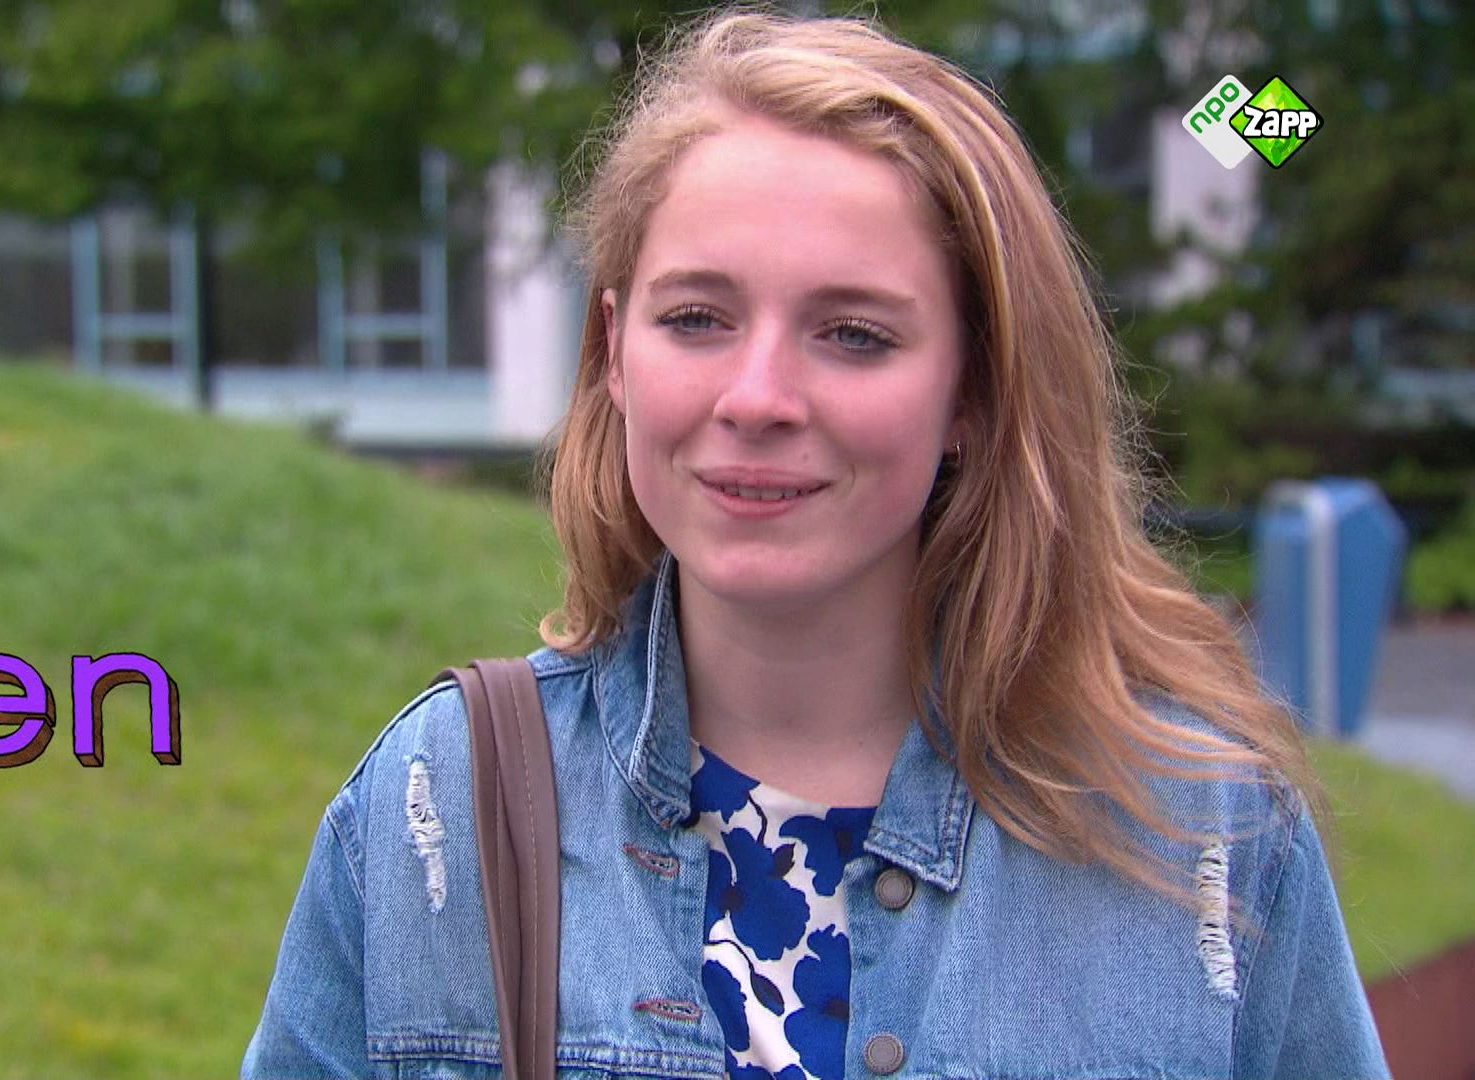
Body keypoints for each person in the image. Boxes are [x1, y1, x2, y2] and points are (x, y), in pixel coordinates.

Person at [243, 10, 1391, 1079]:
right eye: (697, 318)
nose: (757, 397)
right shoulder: (438, 799)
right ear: (615, 350)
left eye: (852, 334)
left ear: (974, 391)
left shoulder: (1203, 834)